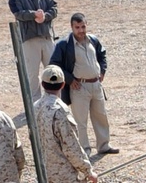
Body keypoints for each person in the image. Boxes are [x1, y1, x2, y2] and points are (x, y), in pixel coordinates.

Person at [48, 13, 115, 155]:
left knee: (101, 116)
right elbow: (54, 64)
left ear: (86, 25)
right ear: (72, 27)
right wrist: (70, 80)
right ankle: (84, 150)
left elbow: (102, 55)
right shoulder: (64, 45)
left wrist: (102, 71)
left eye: (83, 26)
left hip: (96, 85)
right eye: (77, 27)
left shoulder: (93, 40)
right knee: (80, 121)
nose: (81, 30)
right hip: (79, 87)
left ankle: (104, 145)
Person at [8, 0, 58, 97]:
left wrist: (45, 17)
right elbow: (18, 14)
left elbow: (54, 8)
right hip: (29, 40)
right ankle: (35, 106)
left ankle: (55, 99)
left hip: (46, 37)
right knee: (32, 74)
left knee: (53, 71)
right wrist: (34, 15)